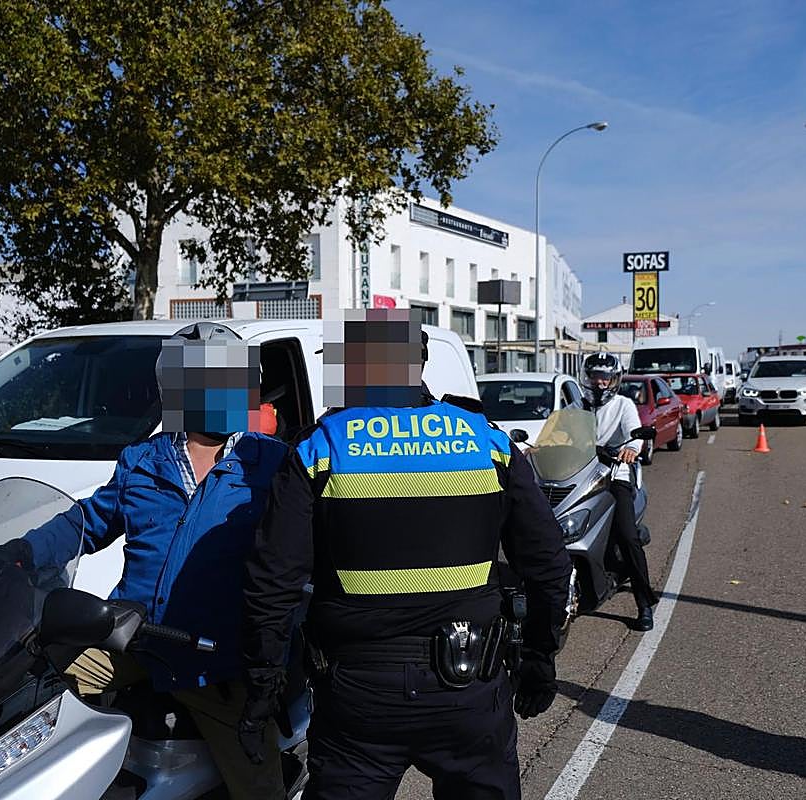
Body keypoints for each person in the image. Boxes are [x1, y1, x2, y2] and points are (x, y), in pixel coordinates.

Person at [240, 308, 571, 800]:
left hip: (358, 698)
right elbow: (548, 564)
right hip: (470, 688)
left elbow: (272, 582)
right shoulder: (488, 442)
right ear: (420, 363)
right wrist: (539, 657)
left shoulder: (321, 447)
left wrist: (262, 688)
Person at [0, 328, 289, 800]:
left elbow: (298, 553)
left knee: (259, 786)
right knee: (32, 697)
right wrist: (21, 553)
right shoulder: (142, 461)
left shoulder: (269, 464)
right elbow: (85, 522)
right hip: (135, 640)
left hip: (218, 661)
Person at [580, 351, 658, 631]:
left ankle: (644, 604)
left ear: (614, 379)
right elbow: (557, 430)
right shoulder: (577, 406)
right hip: (581, 475)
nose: (599, 382)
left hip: (615, 474)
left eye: (605, 377)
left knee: (627, 536)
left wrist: (631, 449)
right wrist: (540, 447)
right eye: (595, 376)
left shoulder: (624, 405)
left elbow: (635, 433)